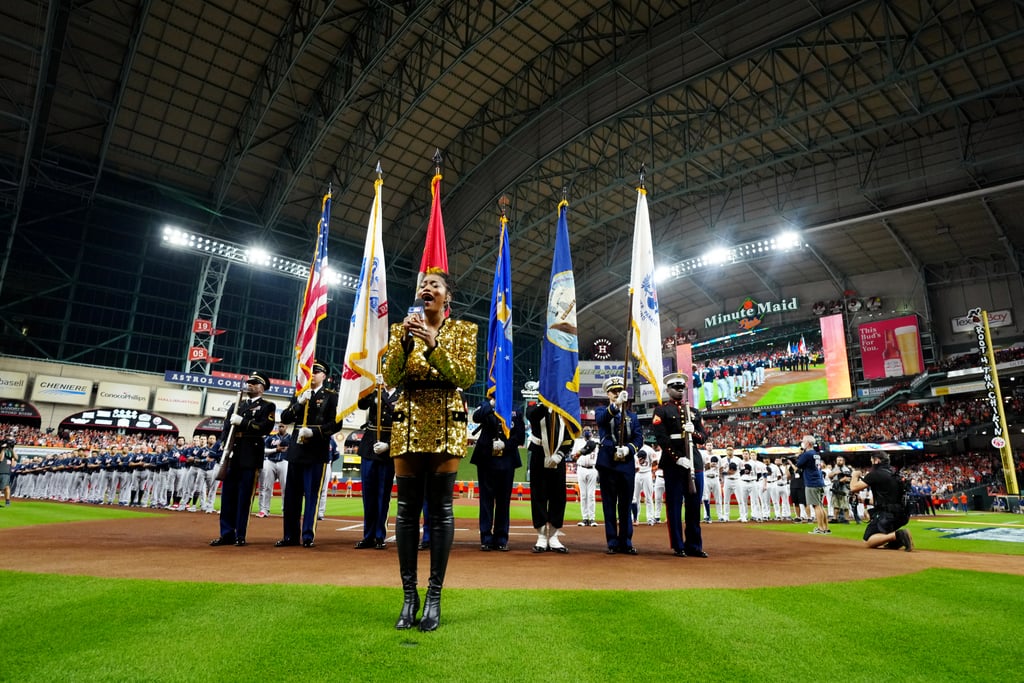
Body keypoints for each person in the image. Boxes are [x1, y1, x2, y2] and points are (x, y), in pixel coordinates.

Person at [382, 268, 477, 632]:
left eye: (434, 286)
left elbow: (464, 377)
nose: (427, 289)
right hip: (407, 422)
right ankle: (409, 597)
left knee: (440, 511)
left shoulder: (463, 331)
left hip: (446, 422)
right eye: (423, 285)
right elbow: (391, 377)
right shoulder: (399, 330)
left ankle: (434, 597)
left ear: (446, 297)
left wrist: (434, 343)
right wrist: (406, 344)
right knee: (406, 513)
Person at [276, 360, 340, 548]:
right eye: (311, 371)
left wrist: (315, 432)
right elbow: (285, 418)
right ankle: (290, 536)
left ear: (324, 376)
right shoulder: (299, 394)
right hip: (296, 452)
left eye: (317, 371)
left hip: (316, 451)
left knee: (312, 496)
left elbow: (336, 424)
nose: (313, 374)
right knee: (291, 497)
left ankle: (308, 536)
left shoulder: (331, 396)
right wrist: (299, 403)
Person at [210, 371, 276, 547]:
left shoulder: (267, 406)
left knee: (244, 497)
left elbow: (264, 428)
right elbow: (225, 429)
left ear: (262, 388)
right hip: (233, 454)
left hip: (250, 455)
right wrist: (224, 447)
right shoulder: (236, 405)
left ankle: (240, 534)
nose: (250, 385)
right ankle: (226, 533)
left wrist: (243, 422)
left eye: (254, 383)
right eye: (249, 382)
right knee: (227, 496)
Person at [651, 372, 709, 557]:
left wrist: (694, 433)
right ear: (668, 390)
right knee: (674, 506)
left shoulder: (694, 412)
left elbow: (703, 437)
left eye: (682, 387)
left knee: (693, 506)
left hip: (694, 462)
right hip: (673, 463)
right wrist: (677, 458)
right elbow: (662, 438)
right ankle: (678, 545)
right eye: (676, 388)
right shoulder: (662, 411)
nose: (680, 390)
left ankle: (694, 545)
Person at [595, 376, 643, 555]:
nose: (616, 394)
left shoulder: (632, 416)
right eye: (613, 392)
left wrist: (630, 449)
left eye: (619, 391)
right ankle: (612, 542)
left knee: (625, 504)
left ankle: (626, 541)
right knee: (609, 504)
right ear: (608, 394)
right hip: (608, 464)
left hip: (626, 464)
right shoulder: (601, 410)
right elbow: (602, 420)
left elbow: (639, 438)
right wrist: (616, 406)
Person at [471, 399, 525, 551]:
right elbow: (476, 417)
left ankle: (501, 538)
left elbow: (520, 436)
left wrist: (505, 445)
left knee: (503, 501)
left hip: (507, 459)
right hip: (486, 458)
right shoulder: (485, 405)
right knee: (486, 500)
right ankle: (486, 538)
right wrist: (491, 404)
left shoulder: (515, 408)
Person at [355, 379, 399, 550]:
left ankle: (380, 535)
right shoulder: (374, 392)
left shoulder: (401, 395)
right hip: (370, 445)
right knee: (368, 494)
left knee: (383, 494)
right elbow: (361, 404)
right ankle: (368, 535)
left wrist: (390, 444)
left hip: (388, 445)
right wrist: (370, 387)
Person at [526, 402, 573, 553]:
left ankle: (554, 536)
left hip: (558, 458)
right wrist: (546, 403)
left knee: (558, 496)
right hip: (539, 455)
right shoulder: (535, 407)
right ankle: (540, 536)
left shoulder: (565, 410)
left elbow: (570, 435)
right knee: (539, 495)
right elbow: (532, 416)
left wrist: (560, 454)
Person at [850, 452, 913, 551]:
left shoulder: (875, 474)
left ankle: (897, 536)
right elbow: (885, 498)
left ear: (877, 460)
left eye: (872, 461)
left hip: (887, 514)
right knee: (877, 522)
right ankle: (896, 541)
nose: (871, 464)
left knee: (868, 541)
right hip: (901, 514)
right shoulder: (894, 474)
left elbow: (853, 488)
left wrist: (854, 475)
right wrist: (863, 501)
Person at [796, 435, 829, 535]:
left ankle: (820, 528)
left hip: (812, 482)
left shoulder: (807, 454)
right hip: (819, 481)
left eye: (804, 441)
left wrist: (800, 454)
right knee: (821, 506)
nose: (802, 443)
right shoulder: (816, 453)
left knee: (816, 506)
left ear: (808, 443)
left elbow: (799, 464)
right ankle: (825, 528)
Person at [259, 423, 290, 518]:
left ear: (286, 427)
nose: (281, 428)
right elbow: (263, 449)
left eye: (283, 426)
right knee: (267, 486)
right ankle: (264, 510)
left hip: (284, 461)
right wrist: (275, 450)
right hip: (270, 461)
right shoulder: (271, 438)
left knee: (285, 487)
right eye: (279, 426)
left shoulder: (291, 438)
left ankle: (285, 510)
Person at [571, 428, 599, 527]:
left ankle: (592, 518)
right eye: (585, 430)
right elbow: (573, 457)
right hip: (581, 468)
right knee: (583, 495)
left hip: (592, 468)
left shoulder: (596, 442)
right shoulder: (578, 442)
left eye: (589, 430)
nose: (587, 432)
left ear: (592, 433)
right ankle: (585, 518)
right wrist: (579, 453)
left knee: (591, 495)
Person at [829, 456, 853, 523]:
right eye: (838, 460)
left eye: (840, 460)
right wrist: (835, 473)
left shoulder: (847, 469)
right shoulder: (835, 468)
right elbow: (829, 476)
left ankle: (846, 519)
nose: (839, 461)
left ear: (844, 461)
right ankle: (835, 518)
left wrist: (839, 480)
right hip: (836, 487)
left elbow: (848, 479)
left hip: (844, 488)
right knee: (835, 504)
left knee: (845, 504)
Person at [0, 438, 17, 507]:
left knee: (7, 487)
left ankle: (7, 501)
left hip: (6, 472)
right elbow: (1, 459)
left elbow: (15, 459)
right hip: (1, 470)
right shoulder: (1, 450)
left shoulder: (10, 452)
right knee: (1, 488)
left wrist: (12, 449)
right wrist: (3, 449)